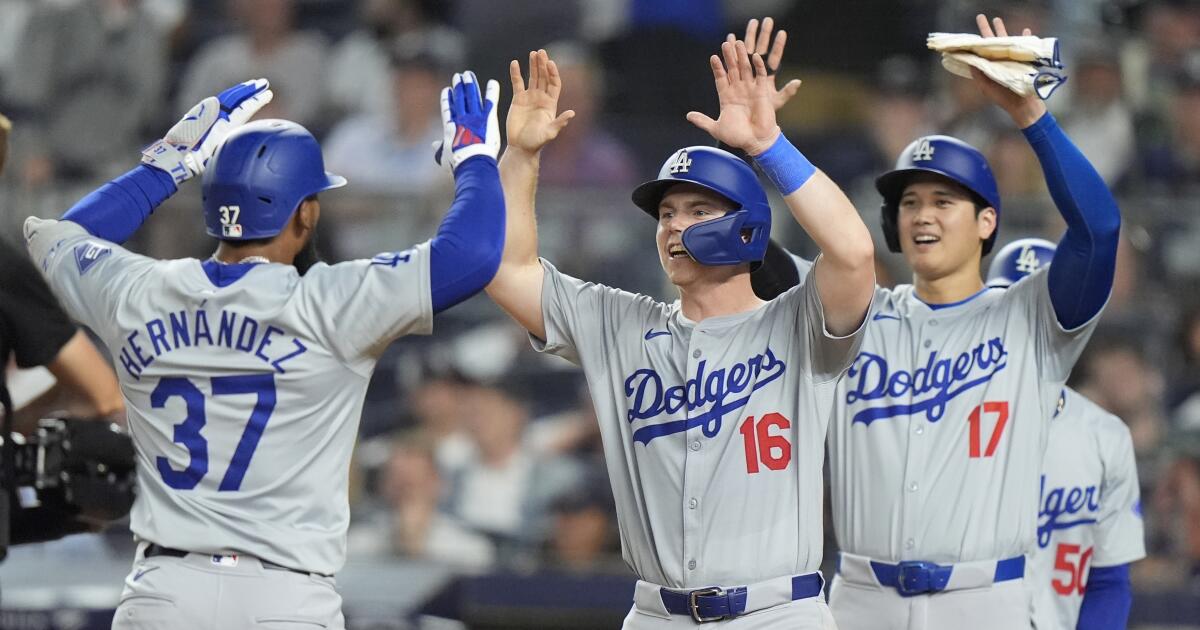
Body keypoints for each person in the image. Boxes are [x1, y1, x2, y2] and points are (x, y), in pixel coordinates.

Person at [23, 70, 506, 628]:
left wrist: (165, 167)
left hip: (164, 591)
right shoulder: (333, 302)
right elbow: (473, 253)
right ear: (306, 212)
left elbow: (53, 244)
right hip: (285, 597)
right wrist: (474, 159)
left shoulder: (141, 291)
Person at [486, 28, 876, 627]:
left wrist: (768, 143)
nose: (673, 226)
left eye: (698, 210)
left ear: (747, 229)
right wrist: (521, 157)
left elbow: (852, 253)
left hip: (776, 612)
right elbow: (508, 271)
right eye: (666, 213)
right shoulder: (621, 324)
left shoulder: (797, 322)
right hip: (655, 613)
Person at [821, 15, 1122, 630]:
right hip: (859, 598)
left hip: (983, 601)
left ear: (987, 222)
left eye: (943, 200)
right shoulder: (856, 316)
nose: (922, 215)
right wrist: (763, 147)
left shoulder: (1030, 315)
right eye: (909, 201)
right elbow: (766, 261)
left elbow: (1099, 230)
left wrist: (1032, 118)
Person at [985, 238, 1145, 630]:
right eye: (1010, 307)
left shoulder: (1104, 435)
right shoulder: (945, 425)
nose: (1024, 323)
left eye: (1041, 309)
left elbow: (1108, 581)